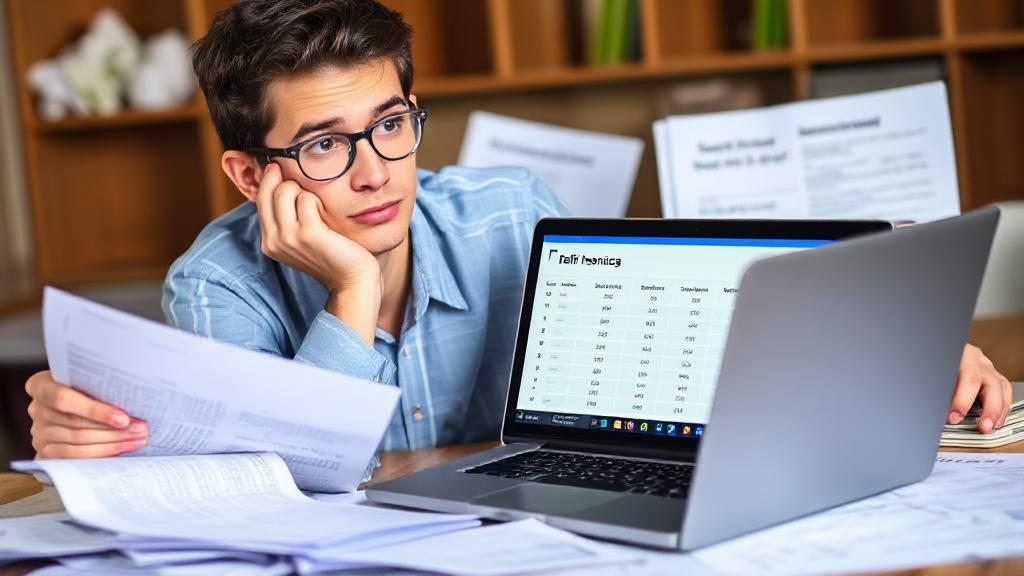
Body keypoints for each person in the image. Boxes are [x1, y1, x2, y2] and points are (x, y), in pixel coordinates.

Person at [24, 0, 1012, 461]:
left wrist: (897, 357)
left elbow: (687, 356)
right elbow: (297, 487)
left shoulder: (507, 214)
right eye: (323, 146)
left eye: (390, 125)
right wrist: (352, 298)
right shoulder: (217, 287)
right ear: (250, 173)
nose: (375, 170)